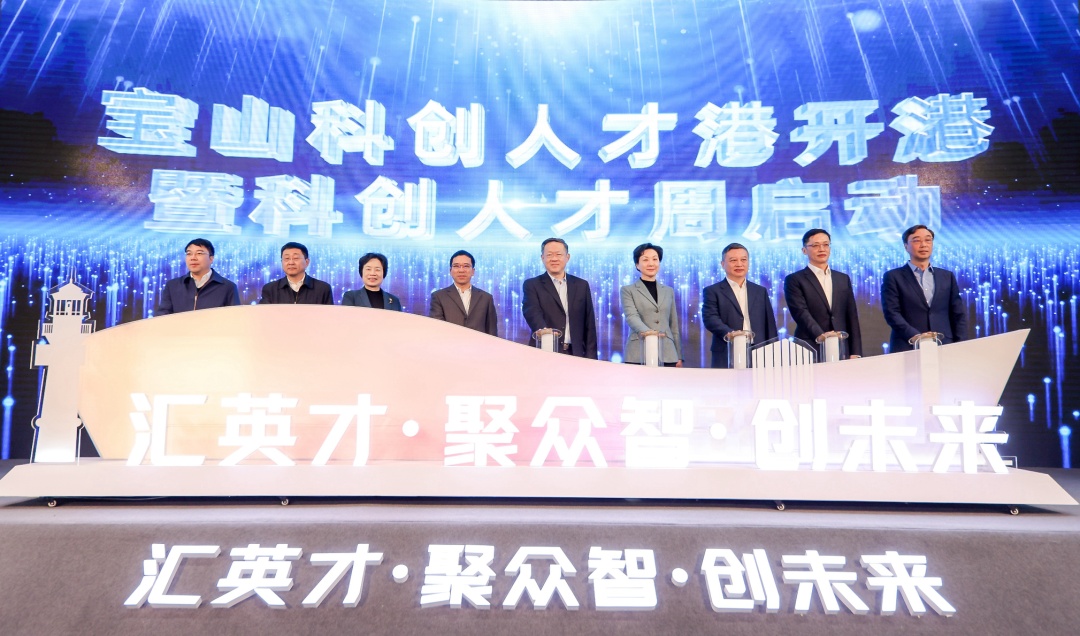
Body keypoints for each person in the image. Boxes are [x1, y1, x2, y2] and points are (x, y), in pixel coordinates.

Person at [881, 225, 967, 352]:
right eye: (916, 240)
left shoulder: (947, 276)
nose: (923, 245)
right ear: (906, 246)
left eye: (928, 240)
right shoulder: (893, 277)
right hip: (907, 345)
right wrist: (917, 336)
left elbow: (958, 313)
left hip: (945, 345)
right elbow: (892, 313)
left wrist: (961, 344)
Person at [783, 229, 863, 358]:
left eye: (826, 244)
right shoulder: (795, 279)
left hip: (841, 345)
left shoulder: (842, 278)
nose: (822, 249)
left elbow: (851, 316)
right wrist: (822, 336)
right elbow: (800, 312)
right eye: (815, 245)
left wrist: (856, 351)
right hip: (810, 345)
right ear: (804, 250)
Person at [701, 243, 778, 368]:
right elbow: (710, 318)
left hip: (759, 351)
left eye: (743, 260)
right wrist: (730, 333)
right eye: (733, 260)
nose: (739, 264)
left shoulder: (760, 291)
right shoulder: (712, 291)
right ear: (722, 264)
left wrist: (774, 351)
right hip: (727, 350)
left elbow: (770, 324)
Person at [521, 238, 598, 358]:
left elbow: (589, 324)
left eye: (558, 254)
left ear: (567, 257)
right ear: (542, 258)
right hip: (545, 351)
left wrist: (591, 358)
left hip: (576, 353)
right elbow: (532, 312)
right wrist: (545, 332)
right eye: (549, 255)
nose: (554, 259)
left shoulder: (581, 285)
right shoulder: (532, 284)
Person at [619, 243, 682, 366]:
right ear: (637, 264)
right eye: (645, 260)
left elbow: (673, 324)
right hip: (638, 351)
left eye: (655, 259)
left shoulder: (668, 291)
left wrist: (678, 355)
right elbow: (631, 317)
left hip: (668, 353)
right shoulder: (628, 290)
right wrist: (651, 335)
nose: (651, 263)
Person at [156, 238, 240, 315]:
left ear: (211, 258)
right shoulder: (173, 286)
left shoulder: (228, 287)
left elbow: (234, 318)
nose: (193, 258)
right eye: (189, 254)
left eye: (199, 253)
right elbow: (162, 317)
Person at [429, 250, 499, 336]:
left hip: (478, 344)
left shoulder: (486, 298)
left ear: (473, 271)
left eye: (466, 266)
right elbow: (437, 329)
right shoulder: (439, 297)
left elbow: (492, 333)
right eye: (456, 266)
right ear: (450, 271)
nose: (461, 270)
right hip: (450, 343)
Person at [258, 242, 335, 305]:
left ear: (307, 262)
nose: (291, 262)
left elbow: (329, 316)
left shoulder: (322, 289)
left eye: (296, 258)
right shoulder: (270, 289)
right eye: (287, 258)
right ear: (282, 262)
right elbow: (264, 315)